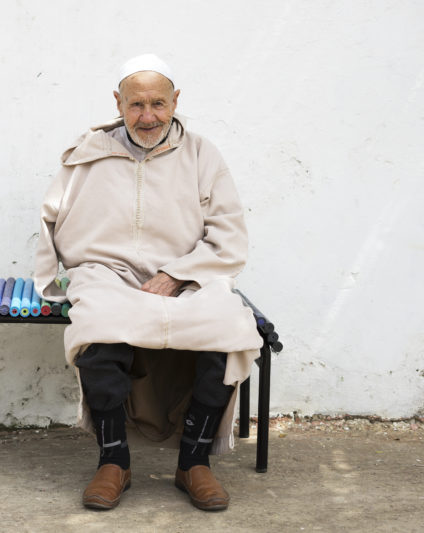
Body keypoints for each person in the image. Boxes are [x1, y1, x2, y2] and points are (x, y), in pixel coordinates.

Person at [34, 53, 262, 511]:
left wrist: (177, 274)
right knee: (98, 325)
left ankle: (194, 463)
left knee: (229, 328)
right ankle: (113, 462)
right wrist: (56, 282)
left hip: (188, 274)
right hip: (105, 272)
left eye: (159, 104)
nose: (148, 116)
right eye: (136, 105)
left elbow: (229, 236)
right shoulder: (85, 156)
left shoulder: (203, 154)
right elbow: (51, 220)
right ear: (117, 103)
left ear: (176, 101)